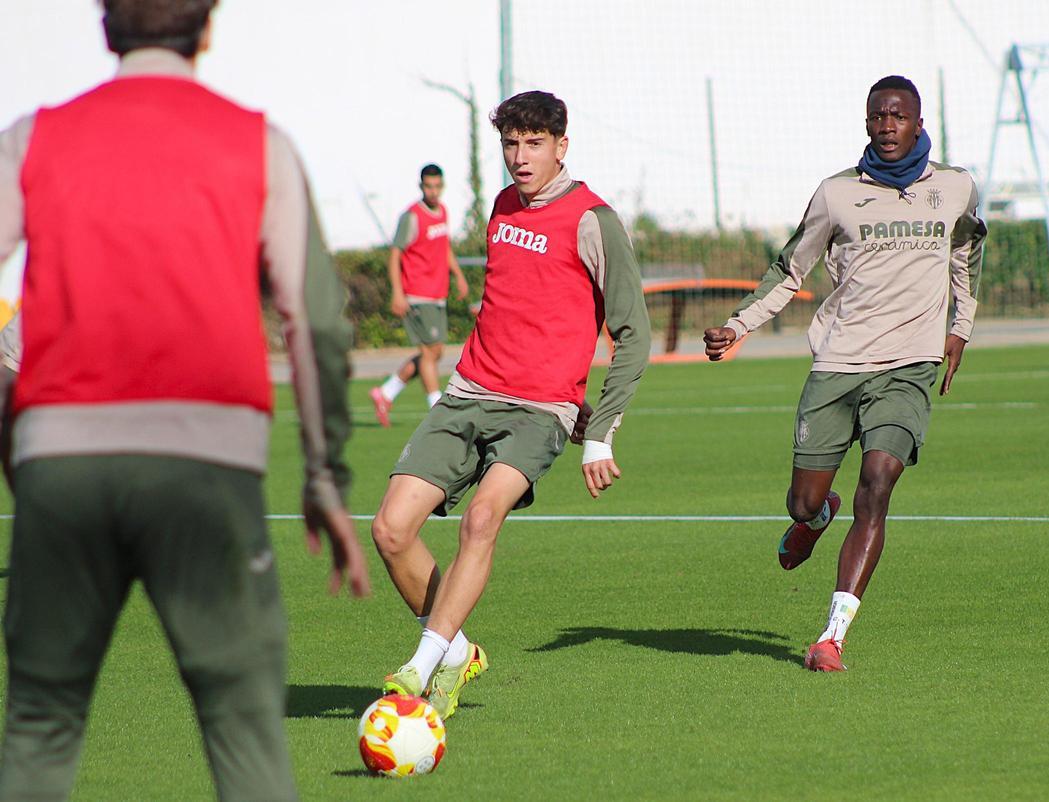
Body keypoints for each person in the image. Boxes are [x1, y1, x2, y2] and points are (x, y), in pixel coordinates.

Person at [0, 2, 371, 800]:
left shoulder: (32, 138)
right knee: (244, 728)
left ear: (105, 26)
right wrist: (325, 477)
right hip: (208, 470)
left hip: (62, 468)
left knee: (39, 728)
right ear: (207, 27)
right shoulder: (262, 145)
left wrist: (16, 427)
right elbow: (314, 323)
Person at [370, 90, 651, 717]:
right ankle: (455, 651)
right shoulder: (502, 206)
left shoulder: (593, 220)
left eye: (534, 144)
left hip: (539, 410)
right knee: (390, 529)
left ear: (562, 146)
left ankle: (419, 667)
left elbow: (634, 334)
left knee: (480, 518)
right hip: (469, 391)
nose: (520, 157)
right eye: (510, 144)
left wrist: (600, 431)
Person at [704, 75, 987, 673]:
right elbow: (790, 269)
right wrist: (738, 325)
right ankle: (816, 515)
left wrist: (961, 325)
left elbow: (965, 251)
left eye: (898, 116)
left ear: (918, 123)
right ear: (866, 124)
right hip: (838, 363)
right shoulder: (836, 194)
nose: (888, 125)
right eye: (878, 116)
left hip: (908, 365)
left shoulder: (956, 188)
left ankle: (831, 637)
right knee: (801, 503)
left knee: (877, 485)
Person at [370, 164, 470, 424]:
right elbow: (395, 255)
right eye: (428, 186)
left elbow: (444, 247)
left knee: (435, 352)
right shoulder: (412, 217)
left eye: (437, 186)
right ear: (421, 186)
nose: (433, 191)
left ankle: (386, 392)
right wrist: (397, 292)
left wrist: (458, 275)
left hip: (437, 293)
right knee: (428, 353)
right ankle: (437, 410)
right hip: (417, 294)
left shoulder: (443, 212)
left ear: (442, 186)